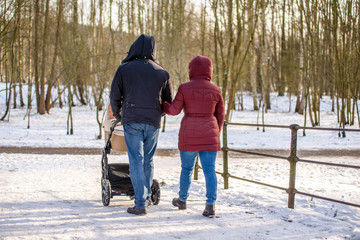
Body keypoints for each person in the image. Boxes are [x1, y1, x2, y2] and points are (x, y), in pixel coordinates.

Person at [110, 34, 172, 215]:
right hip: (153, 122)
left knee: (136, 160)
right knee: (148, 160)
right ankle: (145, 199)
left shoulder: (124, 69)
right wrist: (157, 113)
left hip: (132, 120)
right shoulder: (162, 72)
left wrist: (119, 114)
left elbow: (114, 95)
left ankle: (140, 203)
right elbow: (167, 100)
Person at [162, 55, 225, 218]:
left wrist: (163, 104)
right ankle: (210, 205)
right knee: (210, 171)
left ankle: (182, 200)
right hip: (210, 136)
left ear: (191, 69)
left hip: (189, 134)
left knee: (187, 169)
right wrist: (215, 134)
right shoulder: (216, 90)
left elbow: (174, 110)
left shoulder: (184, 87)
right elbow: (221, 116)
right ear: (209, 70)